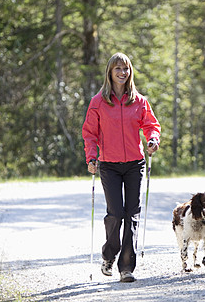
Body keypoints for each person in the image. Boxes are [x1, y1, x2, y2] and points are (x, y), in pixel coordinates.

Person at [82, 52, 161, 282]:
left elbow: (151, 125)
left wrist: (153, 139)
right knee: (115, 214)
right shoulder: (98, 102)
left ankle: (126, 267)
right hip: (108, 165)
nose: (122, 73)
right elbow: (89, 133)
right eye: (118, 68)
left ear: (130, 72)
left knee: (132, 214)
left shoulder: (139, 101)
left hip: (135, 164)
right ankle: (109, 254)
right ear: (110, 72)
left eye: (125, 69)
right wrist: (91, 157)